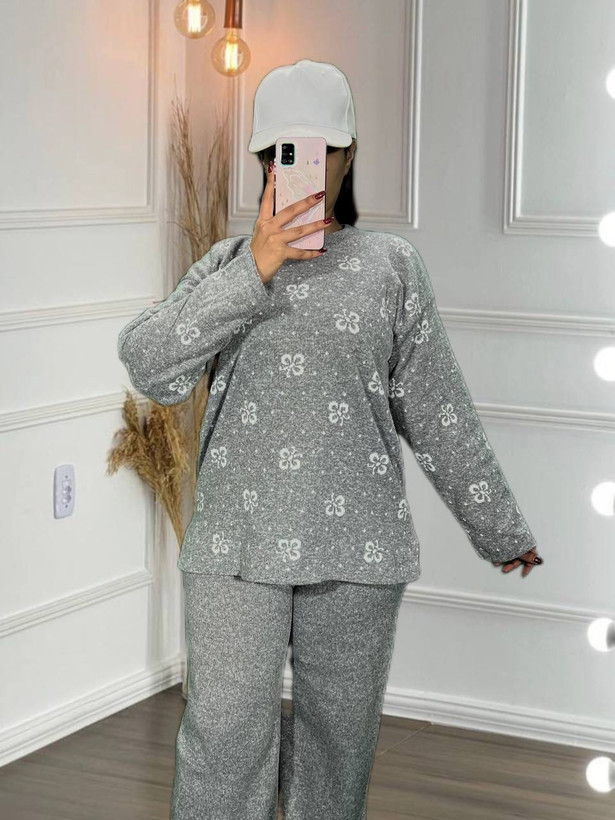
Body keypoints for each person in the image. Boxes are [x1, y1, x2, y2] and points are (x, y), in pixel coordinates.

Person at [117, 59, 543, 820]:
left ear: (348, 155)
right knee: (222, 739)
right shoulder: (227, 266)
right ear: (264, 160)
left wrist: (499, 528)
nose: (304, 166)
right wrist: (255, 268)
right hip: (235, 544)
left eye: (321, 149)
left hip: (359, 547)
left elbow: (438, 411)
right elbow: (150, 365)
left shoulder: (391, 267)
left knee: (336, 747)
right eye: (286, 151)